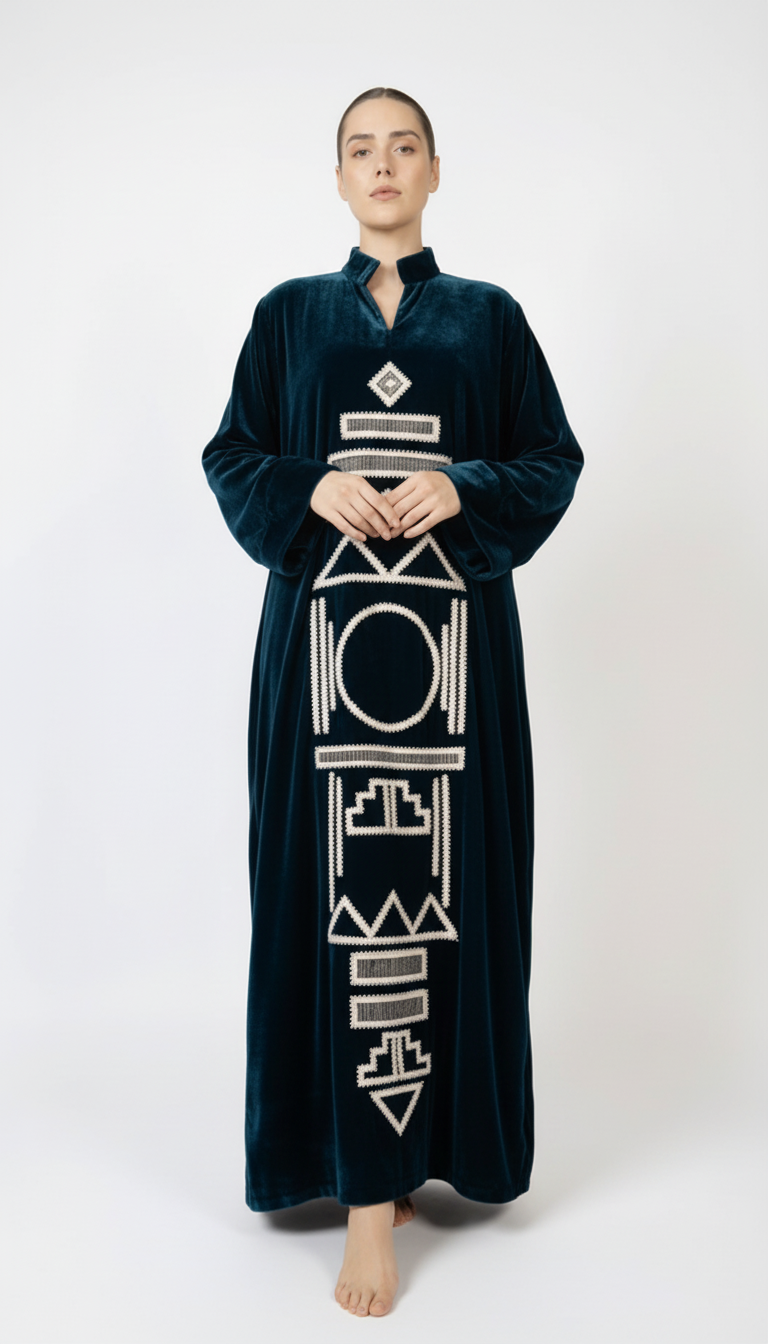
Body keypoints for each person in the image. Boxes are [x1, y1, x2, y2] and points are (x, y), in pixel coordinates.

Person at [201, 86, 584, 1318]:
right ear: (337, 177)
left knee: (446, 898)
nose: (382, 165)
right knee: (337, 901)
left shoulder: (488, 319)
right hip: (324, 675)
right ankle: (364, 1201)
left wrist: (461, 483)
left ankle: (419, 1154)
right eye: (360, 150)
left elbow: (552, 460)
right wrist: (307, 489)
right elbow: (232, 456)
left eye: (402, 146)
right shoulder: (289, 316)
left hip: (452, 675)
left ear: (433, 169)